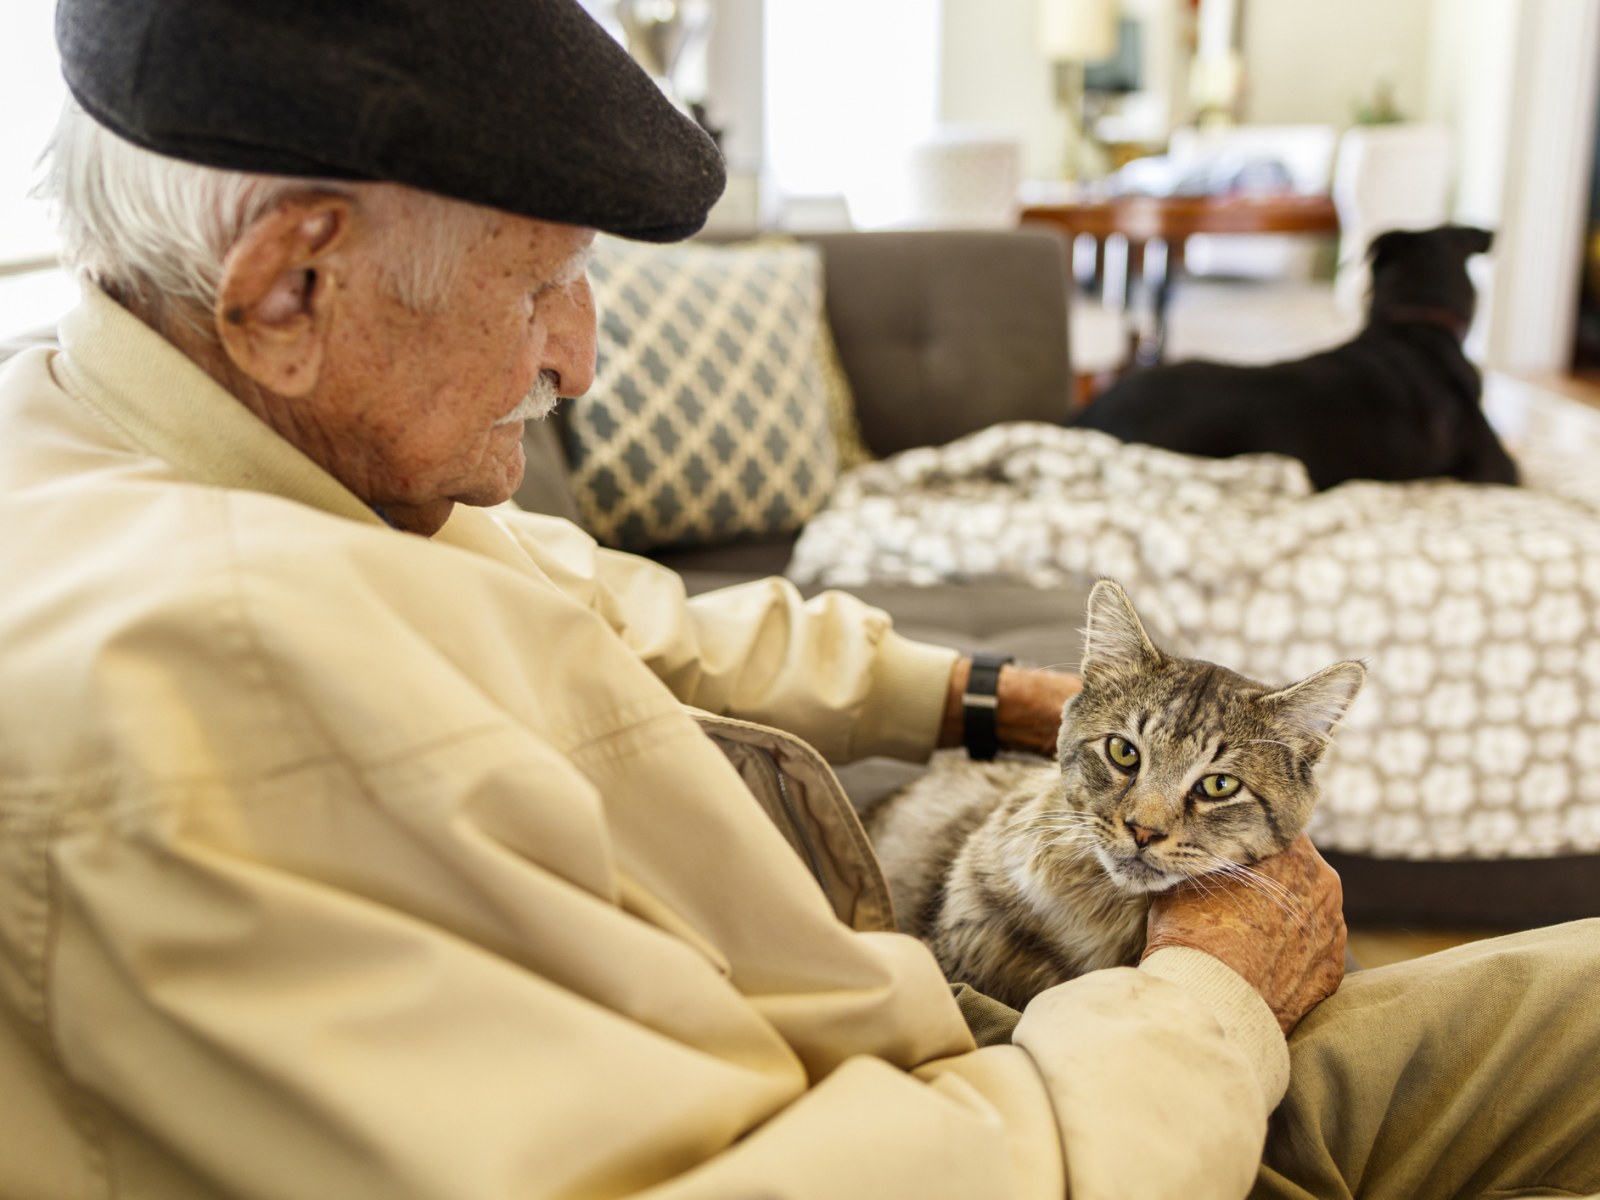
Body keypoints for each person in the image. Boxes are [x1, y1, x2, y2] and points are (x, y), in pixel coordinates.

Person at [0, 2, 1594, 1198]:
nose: (579, 359)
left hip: (1003, 1076)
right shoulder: (224, 697)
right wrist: (1208, 995)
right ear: (290, 288)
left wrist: (982, 695)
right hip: (1034, 1126)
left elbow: (613, 605)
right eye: (542, 281)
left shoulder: (207, 446)